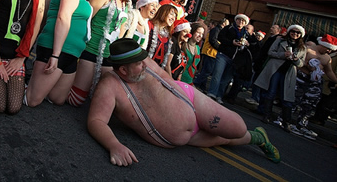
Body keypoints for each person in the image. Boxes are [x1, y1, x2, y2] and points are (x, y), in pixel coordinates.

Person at [87, 38, 281, 166]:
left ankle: (251, 135)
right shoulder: (110, 86)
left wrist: (185, 95)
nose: (145, 64)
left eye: (143, 59)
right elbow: (96, 121)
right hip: (183, 137)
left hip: (191, 101)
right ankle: (259, 138)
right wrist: (114, 145)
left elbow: (166, 78)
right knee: (226, 140)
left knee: (237, 128)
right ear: (122, 71)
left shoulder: (145, 63)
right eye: (138, 63)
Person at [25, 0, 95, 107]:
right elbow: (63, 18)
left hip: (71, 53)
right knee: (33, 100)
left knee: (57, 99)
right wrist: (55, 55)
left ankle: (37, 85)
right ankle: (17, 85)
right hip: (57, 49)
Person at [70, 0, 140, 106]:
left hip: (108, 57)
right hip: (89, 50)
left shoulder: (126, 4)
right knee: (76, 100)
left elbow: (119, 36)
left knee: (102, 101)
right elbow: (85, 18)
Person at [254, 25, 307, 133]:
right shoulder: (280, 41)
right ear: (289, 32)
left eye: (298, 33)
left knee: (286, 97)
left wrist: (296, 59)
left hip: (289, 73)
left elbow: (301, 63)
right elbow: (270, 52)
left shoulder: (302, 47)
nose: (295, 34)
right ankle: (266, 115)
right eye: (293, 32)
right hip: (275, 70)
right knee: (271, 92)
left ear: (301, 35)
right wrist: (283, 54)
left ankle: (287, 122)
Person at [290, 34, 337, 139]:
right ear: (323, 45)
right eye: (328, 49)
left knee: (309, 105)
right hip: (301, 78)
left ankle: (302, 124)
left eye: (331, 50)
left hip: (314, 82)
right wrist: (307, 66)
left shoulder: (327, 58)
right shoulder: (308, 49)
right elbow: (297, 61)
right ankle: (285, 119)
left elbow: (329, 72)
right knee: (294, 100)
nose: (329, 51)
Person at [207, 14, 250, 104]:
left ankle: (219, 95)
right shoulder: (229, 28)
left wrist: (246, 44)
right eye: (239, 20)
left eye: (243, 21)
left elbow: (253, 45)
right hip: (223, 55)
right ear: (236, 20)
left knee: (226, 79)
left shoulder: (245, 34)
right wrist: (232, 42)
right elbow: (220, 37)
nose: (240, 22)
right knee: (217, 75)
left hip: (235, 59)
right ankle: (212, 93)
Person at [247, 24, 281, 107]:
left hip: (265, 63)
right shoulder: (270, 38)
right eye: (271, 27)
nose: (271, 28)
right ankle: (254, 96)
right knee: (256, 79)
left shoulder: (276, 39)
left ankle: (256, 97)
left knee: (259, 81)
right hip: (260, 61)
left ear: (278, 30)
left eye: (273, 28)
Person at [193, 19, 224, 92]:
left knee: (205, 70)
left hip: (208, 52)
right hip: (210, 53)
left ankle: (202, 86)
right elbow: (213, 41)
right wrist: (221, 47)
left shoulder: (215, 30)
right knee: (207, 71)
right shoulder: (216, 30)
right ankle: (196, 83)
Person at [146, 3, 178, 69]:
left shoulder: (167, 36)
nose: (173, 18)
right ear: (163, 13)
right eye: (171, 14)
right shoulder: (149, 26)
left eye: (175, 16)